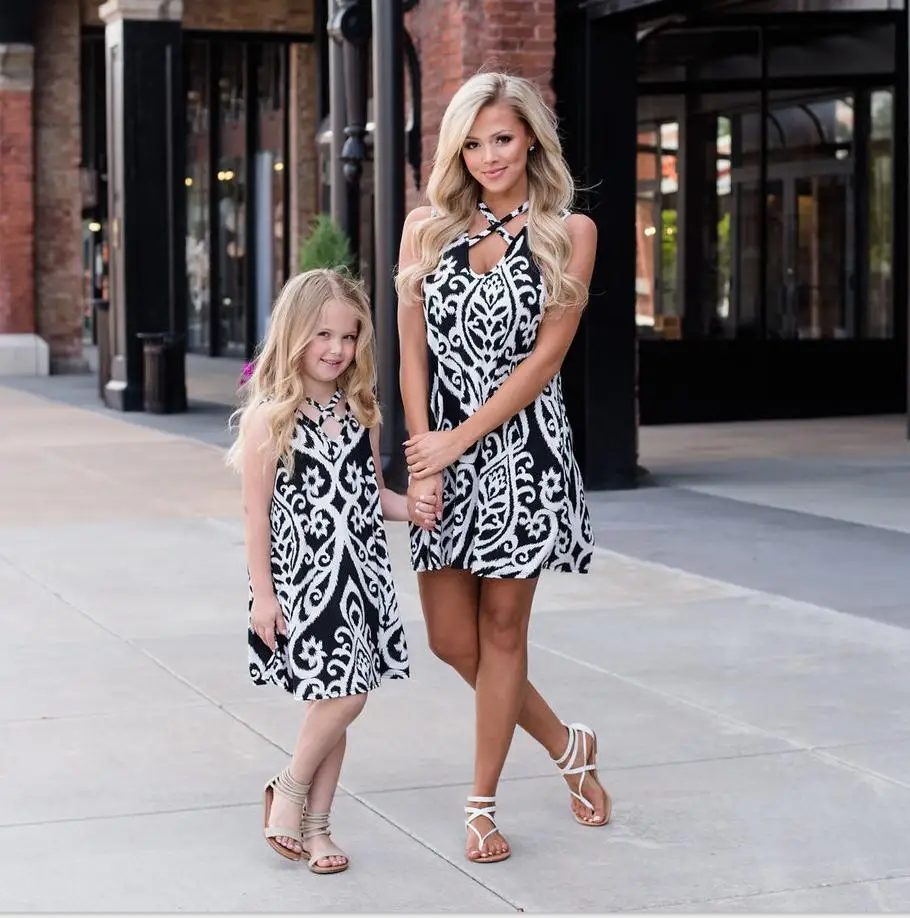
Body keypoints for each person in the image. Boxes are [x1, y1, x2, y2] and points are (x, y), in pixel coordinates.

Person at [395, 72, 612, 866]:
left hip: (523, 456)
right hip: (441, 455)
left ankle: (481, 807)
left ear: (531, 142)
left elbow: (547, 360)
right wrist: (426, 453)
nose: (490, 156)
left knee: (502, 630)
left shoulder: (570, 230)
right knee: (452, 640)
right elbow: (409, 351)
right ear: (458, 147)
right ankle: (567, 742)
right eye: (475, 141)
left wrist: (463, 440)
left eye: (504, 139)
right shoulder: (425, 229)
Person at [227, 268, 426, 874]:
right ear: (293, 336)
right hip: (305, 581)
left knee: (333, 700)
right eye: (322, 336)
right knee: (345, 695)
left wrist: (413, 508)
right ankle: (287, 791)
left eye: (348, 336)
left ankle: (317, 829)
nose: (336, 349)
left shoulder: (360, 408)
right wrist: (264, 597)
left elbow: (372, 495)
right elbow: (254, 516)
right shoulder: (271, 418)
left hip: (361, 575)